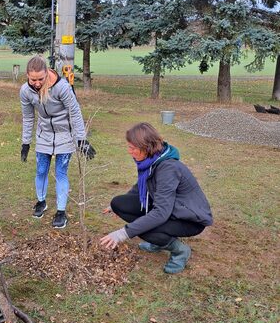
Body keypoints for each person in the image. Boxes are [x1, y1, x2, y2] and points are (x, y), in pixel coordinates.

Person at [100, 122, 213, 274]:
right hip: (171, 208)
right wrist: (115, 207)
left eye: (133, 148)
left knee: (144, 229)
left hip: (189, 219)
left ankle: (180, 251)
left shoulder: (168, 168)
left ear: (146, 147)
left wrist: (122, 234)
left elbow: (161, 212)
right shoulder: (152, 160)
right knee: (119, 203)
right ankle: (158, 242)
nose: (129, 151)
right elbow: (143, 185)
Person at [20, 55, 96, 229]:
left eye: (40, 79)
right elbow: (28, 117)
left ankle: (61, 212)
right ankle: (41, 202)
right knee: (41, 170)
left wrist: (81, 140)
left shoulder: (62, 87)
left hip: (64, 135)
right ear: (27, 76)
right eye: (33, 80)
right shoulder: (25, 91)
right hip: (44, 134)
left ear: (47, 73)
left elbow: (75, 113)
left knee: (61, 172)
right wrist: (26, 143)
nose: (37, 83)